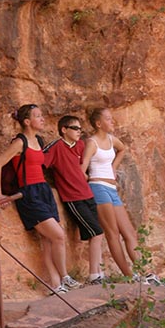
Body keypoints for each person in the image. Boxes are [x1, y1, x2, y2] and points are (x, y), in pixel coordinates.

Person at [0, 104, 80, 294]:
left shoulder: (39, 140)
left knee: (48, 240)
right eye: (37, 116)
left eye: (41, 115)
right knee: (58, 235)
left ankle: (56, 286)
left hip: (43, 191)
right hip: (29, 194)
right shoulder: (19, 142)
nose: (42, 119)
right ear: (27, 121)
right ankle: (65, 276)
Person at [81, 107, 165, 286]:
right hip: (98, 187)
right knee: (112, 233)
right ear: (98, 123)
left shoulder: (112, 140)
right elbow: (82, 167)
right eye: (109, 119)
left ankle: (145, 273)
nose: (113, 122)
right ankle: (129, 276)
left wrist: (113, 167)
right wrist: (89, 178)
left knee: (129, 232)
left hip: (112, 189)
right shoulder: (92, 142)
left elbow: (122, 149)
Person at [43, 115, 105, 285]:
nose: (79, 132)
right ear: (64, 129)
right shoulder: (55, 147)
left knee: (96, 234)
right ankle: (94, 275)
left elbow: (81, 167)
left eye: (80, 129)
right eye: (75, 128)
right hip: (73, 197)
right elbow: (40, 163)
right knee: (97, 232)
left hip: (87, 194)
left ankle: (99, 271)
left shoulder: (80, 145)